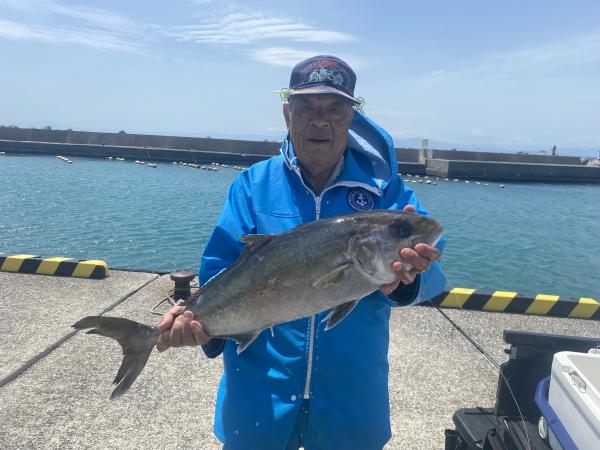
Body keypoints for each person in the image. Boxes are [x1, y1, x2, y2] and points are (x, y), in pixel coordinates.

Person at [156, 55, 447, 450]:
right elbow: (219, 272)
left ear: (351, 117)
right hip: (259, 398)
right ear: (287, 114)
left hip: (352, 400)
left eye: (334, 109)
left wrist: (408, 281)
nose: (319, 121)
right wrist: (201, 327)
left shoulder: (387, 194)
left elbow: (434, 269)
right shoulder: (252, 186)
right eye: (306, 107)